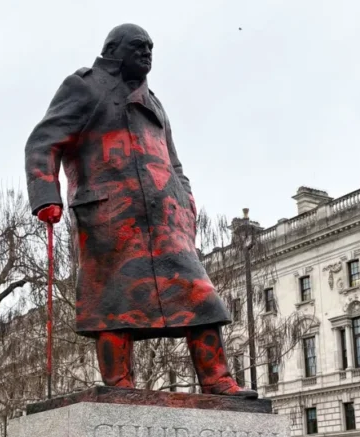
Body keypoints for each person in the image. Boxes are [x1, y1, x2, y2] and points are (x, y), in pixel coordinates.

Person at [25, 24, 256, 398]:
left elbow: (174, 161)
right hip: (109, 217)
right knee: (112, 301)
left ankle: (217, 379)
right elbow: (43, 141)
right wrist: (45, 195)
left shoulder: (155, 102)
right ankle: (120, 385)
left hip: (166, 220)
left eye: (151, 47)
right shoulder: (83, 86)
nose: (148, 53)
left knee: (200, 296)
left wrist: (186, 204)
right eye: (139, 47)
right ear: (115, 50)